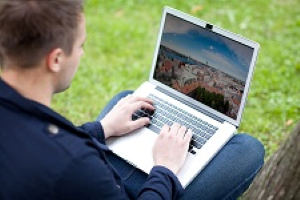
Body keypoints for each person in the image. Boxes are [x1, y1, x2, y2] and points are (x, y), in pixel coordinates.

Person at [0, 1, 265, 199]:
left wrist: (101, 129)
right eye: (80, 45)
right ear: (56, 59)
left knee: (128, 100)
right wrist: (164, 167)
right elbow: (68, 161)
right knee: (248, 149)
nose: (82, 53)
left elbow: (46, 149)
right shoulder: (76, 163)